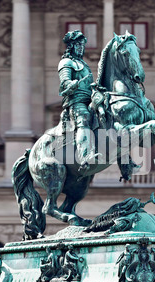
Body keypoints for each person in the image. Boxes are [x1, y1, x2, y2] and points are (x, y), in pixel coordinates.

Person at [58, 30, 100, 174]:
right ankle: (85, 156)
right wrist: (71, 84)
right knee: (84, 118)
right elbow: (64, 83)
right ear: (71, 46)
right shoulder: (66, 62)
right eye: (78, 44)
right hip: (76, 102)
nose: (81, 47)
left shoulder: (83, 64)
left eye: (82, 44)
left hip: (90, 99)